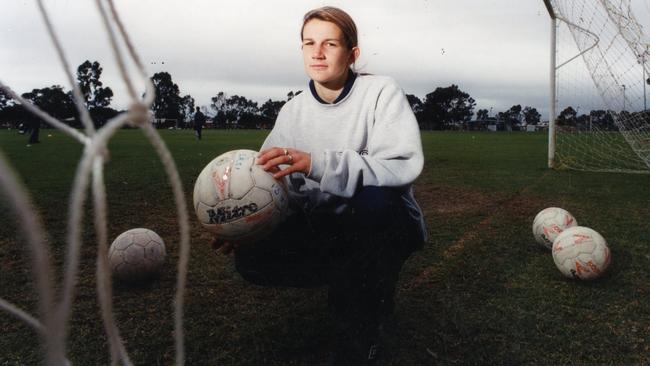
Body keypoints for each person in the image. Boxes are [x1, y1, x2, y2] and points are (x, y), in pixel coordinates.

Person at [214, 6, 426, 365]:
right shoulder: (292, 113)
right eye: (309, 43)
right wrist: (240, 219)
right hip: (327, 225)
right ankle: (362, 289)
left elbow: (401, 166)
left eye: (330, 43)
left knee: (375, 203)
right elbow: (272, 186)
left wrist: (316, 163)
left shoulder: (381, 92)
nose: (317, 52)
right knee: (251, 256)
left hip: (385, 222)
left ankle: (360, 336)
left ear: (352, 54)